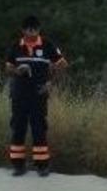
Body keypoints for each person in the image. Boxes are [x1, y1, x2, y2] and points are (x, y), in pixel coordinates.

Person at [5, 15, 67, 177]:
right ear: (23, 30)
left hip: (39, 93)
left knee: (39, 128)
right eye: (28, 29)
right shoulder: (16, 46)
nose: (31, 32)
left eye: (35, 29)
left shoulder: (47, 45)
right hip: (19, 93)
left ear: (39, 30)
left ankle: (42, 166)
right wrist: (17, 71)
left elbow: (62, 65)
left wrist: (50, 83)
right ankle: (18, 166)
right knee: (18, 127)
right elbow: (8, 67)